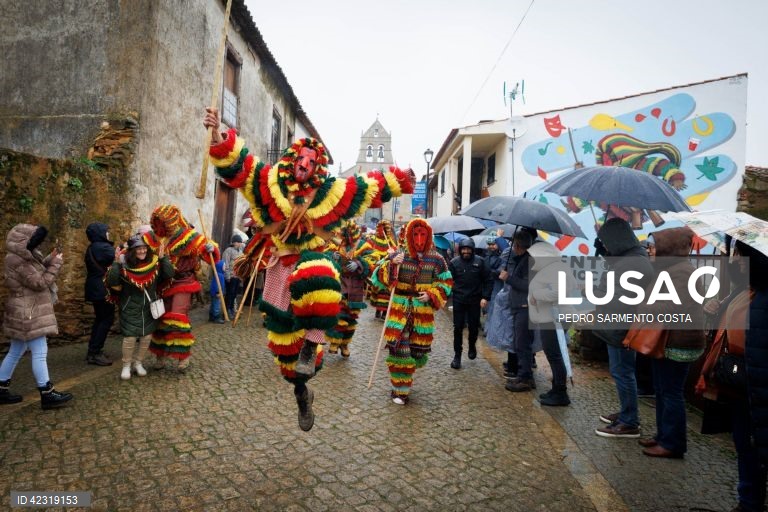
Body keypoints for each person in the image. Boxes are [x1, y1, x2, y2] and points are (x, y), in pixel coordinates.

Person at [204, 107, 414, 430]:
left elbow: (368, 189)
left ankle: (313, 344)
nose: (303, 165)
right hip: (279, 267)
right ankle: (302, 393)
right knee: (287, 358)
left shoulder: (332, 193)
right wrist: (219, 134)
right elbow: (241, 169)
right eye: (299, 159)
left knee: (318, 278)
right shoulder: (269, 184)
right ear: (290, 161)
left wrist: (401, 179)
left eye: (310, 162)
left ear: (317, 168)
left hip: (313, 263)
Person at [696, 240, 768, 512]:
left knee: (752, 448)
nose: (736, 260)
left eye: (741, 255)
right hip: (741, 385)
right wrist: (716, 310)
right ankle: (748, 503)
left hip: (755, 386)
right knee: (746, 448)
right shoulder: (744, 289)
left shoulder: (761, 295)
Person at [635, 226, 705, 457]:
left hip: (678, 342)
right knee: (662, 390)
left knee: (671, 392)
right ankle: (663, 436)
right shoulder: (673, 269)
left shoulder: (681, 272)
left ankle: (673, 444)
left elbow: (670, 307)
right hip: (668, 339)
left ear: (669, 248)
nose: (650, 251)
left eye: (654, 247)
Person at [371, 218, 453, 404]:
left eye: (422, 234)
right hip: (399, 309)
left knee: (416, 353)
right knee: (400, 350)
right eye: (415, 234)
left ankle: (404, 381)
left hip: (421, 313)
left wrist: (432, 294)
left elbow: (445, 282)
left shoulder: (437, 259)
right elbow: (377, 276)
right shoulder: (399, 254)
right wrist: (392, 263)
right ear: (409, 235)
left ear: (428, 235)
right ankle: (400, 390)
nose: (419, 239)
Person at [593, 218, 655, 438]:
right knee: (623, 372)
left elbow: (619, 298)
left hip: (622, 327)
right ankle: (627, 412)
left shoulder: (633, 262)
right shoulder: (633, 257)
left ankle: (630, 422)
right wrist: (604, 251)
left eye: (608, 242)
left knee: (623, 372)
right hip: (621, 325)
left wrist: (594, 293)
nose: (607, 246)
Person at [0, 224, 72, 409]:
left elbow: (37, 271)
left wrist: (50, 257)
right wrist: (56, 264)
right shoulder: (19, 261)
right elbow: (40, 282)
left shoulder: (22, 256)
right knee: (40, 352)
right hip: (29, 312)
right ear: (23, 242)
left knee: (16, 351)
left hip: (23, 310)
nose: (35, 244)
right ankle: (47, 394)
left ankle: (0, 388)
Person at [145, 204, 220, 371]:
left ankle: (182, 357)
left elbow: (209, 256)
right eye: (158, 223)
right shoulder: (155, 238)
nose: (160, 226)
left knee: (177, 318)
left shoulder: (190, 237)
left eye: (163, 222)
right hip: (163, 285)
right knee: (161, 320)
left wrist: (211, 249)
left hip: (184, 283)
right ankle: (160, 356)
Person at [105, 235, 174, 380]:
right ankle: (126, 366)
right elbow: (112, 281)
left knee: (146, 336)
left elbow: (169, 274)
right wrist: (116, 264)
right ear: (132, 251)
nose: (142, 251)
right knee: (130, 337)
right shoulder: (125, 265)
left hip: (149, 307)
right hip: (130, 306)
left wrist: (163, 259)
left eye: (144, 248)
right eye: (138, 248)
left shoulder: (154, 263)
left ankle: (138, 363)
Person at [325, 220, 372, 357]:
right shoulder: (336, 244)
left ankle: (345, 344)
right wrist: (332, 257)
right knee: (337, 313)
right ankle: (335, 341)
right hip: (339, 284)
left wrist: (359, 264)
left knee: (351, 317)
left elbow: (372, 262)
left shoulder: (364, 245)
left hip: (355, 287)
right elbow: (325, 255)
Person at [448, 238, 492, 369]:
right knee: (458, 327)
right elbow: (448, 280)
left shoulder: (481, 262)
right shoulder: (454, 263)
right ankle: (457, 356)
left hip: (474, 300)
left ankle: (472, 345)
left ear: (472, 250)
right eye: (463, 249)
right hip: (459, 299)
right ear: (460, 250)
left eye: (468, 249)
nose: (466, 251)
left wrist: (485, 297)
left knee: (473, 328)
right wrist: (446, 294)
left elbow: (488, 280)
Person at [503, 231, 536, 392]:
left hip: (525, 308)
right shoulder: (523, 259)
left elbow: (527, 285)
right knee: (520, 343)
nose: (512, 247)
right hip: (520, 307)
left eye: (514, 244)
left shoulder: (529, 261)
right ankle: (523, 375)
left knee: (523, 345)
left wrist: (508, 278)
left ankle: (526, 378)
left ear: (518, 245)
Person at [84, 222, 116, 366]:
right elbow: (117, 258)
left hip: (94, 286)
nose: (108, 233)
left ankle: (93, 351)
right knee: (106, 319)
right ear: (100, 233)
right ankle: (95, 352)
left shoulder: (92, 247)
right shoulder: (103, 247)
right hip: (102, 288)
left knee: (100, 318)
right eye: (106, 231)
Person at [483, 236, 504, 337]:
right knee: (488, 308)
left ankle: (489, 331)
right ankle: (488, 330)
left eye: (493, 244)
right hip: (489, 285)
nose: (491, 246)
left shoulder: (501, 257)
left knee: (493, 308)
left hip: (496, 285)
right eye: (490, 245)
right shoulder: (486, 256)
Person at [222, 234, 245, 318]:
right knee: (229, 294)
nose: (239, 244)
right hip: (231, 276)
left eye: (240, 242)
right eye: (238, 242)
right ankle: (226, 310)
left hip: (237, 276)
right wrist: (227, 276)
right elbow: (226, 263)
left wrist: (242, 275)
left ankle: (231, 309)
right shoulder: (228, 250)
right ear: (234, 242)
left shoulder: (241, 251)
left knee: (234, 294)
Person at [209, 259, 227, 324]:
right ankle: (216, 317)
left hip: (215, 292)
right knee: (216, 305)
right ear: (220, 266)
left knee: (213, 304)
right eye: (224, 266)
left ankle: (211, 316)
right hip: (216, 292)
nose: (225, 267)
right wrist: (218, 292)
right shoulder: (219, 275)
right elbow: (216, 284)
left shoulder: (219, 274)